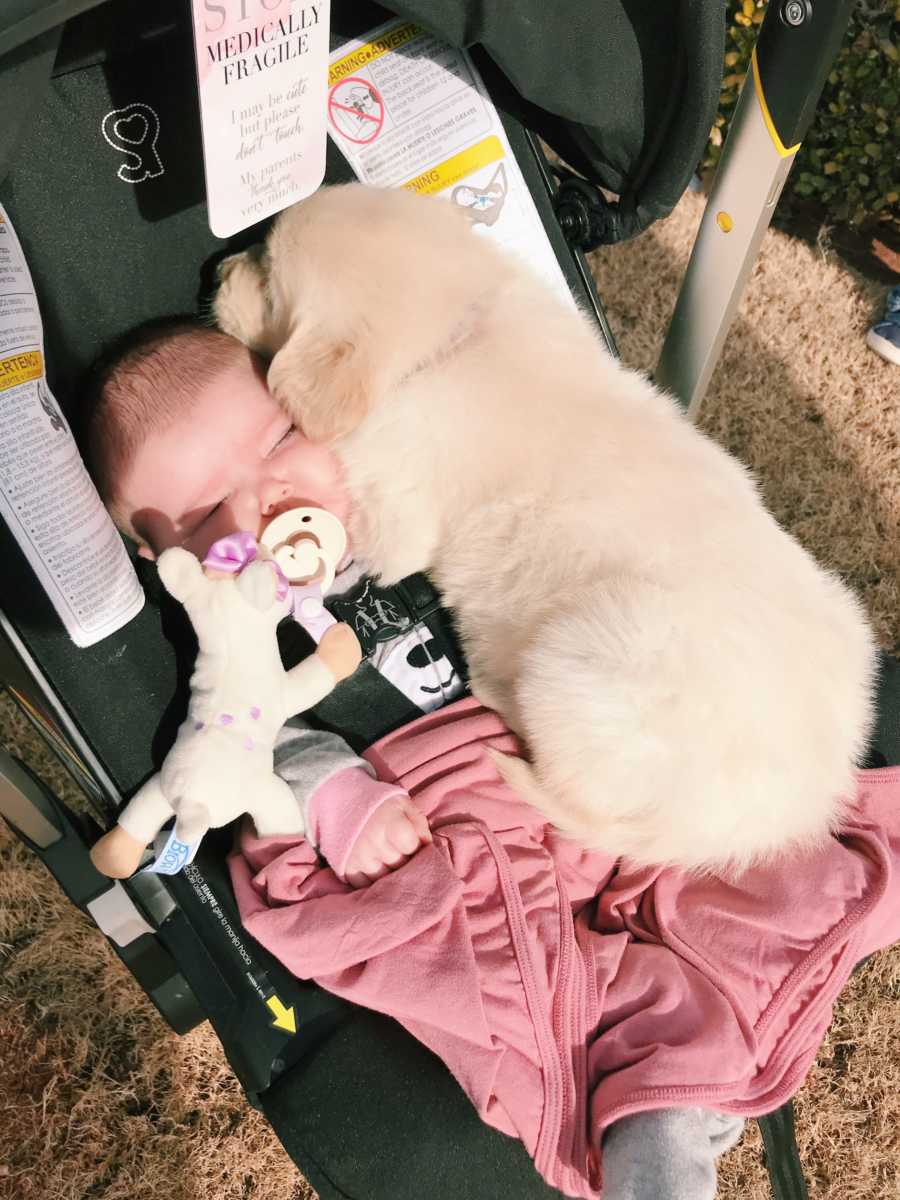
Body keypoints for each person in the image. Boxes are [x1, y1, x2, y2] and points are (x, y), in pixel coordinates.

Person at [80, 316, 900, 1200]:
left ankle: (691, 1070)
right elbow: (251, 747)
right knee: (525, 1004)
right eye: (206, 516)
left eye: (281, 442)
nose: (262, 505)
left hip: (599, 756)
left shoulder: (432, 492)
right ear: (159, 557)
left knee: (772, 865)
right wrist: (341, 802)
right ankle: (659, 1125)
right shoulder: (228, 632)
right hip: (460, 839)